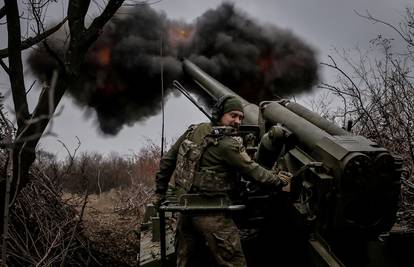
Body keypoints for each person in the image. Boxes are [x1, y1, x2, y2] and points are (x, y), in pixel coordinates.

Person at [154, 95, 291, 267]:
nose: (237, 121)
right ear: (219, 114)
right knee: (234, 261)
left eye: (240, 117)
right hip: (212, 213)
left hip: (186, 209)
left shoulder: (193, 131)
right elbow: (254, 172)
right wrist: (279, 181)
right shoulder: (227, 144)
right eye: (233, 116)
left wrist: (160, 192)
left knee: (185, 260)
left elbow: (168, 161)